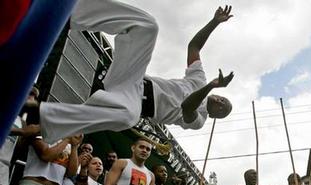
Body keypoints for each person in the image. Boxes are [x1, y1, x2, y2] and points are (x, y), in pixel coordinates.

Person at [37, 2, 234, 144]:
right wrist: (214, 22)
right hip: (135, 80)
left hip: (132, 102)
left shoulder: (199, 121)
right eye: (224, 100)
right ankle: (70, 12)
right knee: (148, 26)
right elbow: (194, 46)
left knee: (127, 117)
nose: (221, 103)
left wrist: (210, 86)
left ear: (216, 116)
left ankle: (42, 115)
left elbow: (186, 106)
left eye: (222, 109)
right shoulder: (199, 79)